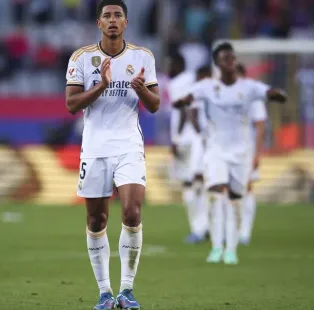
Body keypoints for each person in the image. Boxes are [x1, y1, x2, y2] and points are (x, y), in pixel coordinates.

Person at [64, 1, 160, 309]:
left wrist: (141, 89)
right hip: (94, 148)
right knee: (96, 219)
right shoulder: (82, 58)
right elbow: (71, 104)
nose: (113, 20)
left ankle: (127, 290)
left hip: (129, 145)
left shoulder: (142, 57)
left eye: (118, 15)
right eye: (107, 15)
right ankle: (105, 293)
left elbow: (155, 104)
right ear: (99, 23)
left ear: (126, 22)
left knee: (132, 212)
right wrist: (102, 85)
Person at [187, 42, 286, 265]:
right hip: (214, 148)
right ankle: (217, 246)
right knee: (214, 194)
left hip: (242, 150)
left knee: (237, 197)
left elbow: (260, 123)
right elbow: (194, 110)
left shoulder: (250, 91)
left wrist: (256, 154)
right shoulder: (209, 89)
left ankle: (238, 240)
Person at [168, 56, 209, 244]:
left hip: (188, 139)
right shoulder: (195, 80)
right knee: (197, 183)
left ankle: (199, 228)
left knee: (191, 183)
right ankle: (203, 227)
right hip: (197, 139)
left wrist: (176, 138)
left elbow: (184, 111)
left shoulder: (179, 83)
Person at [235, 63, 268, 245]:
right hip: (225, 148)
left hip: (246, 147)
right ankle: (233, 229)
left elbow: (260, 124)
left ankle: (245, 232)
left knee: (246, 188)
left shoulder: (253, 95)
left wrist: (257, 153)